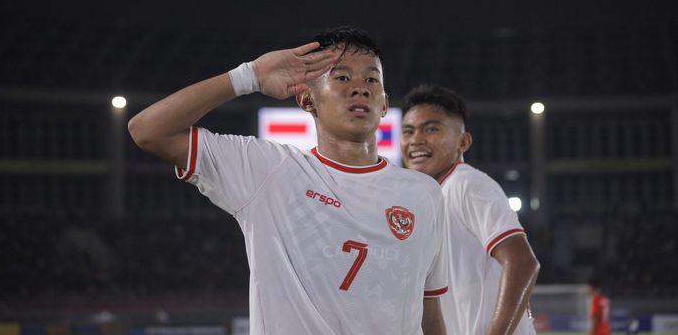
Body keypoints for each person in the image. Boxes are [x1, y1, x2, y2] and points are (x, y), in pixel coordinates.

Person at [128, 28, 449, 335]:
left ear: (383, 104)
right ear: (307, 100)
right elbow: (148, 130)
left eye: (371, 79)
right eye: (341, 77)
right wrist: (248, 76)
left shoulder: (424, 193)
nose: (360, 87)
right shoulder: (268, 170)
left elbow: (429, 310)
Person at [400, 84, 540, 335]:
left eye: (431, 129)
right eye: (408, 131)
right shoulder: (435, 195)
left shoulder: (467, 184)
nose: (416, 140)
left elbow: (522, 261)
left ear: (463, 141)